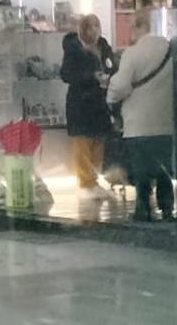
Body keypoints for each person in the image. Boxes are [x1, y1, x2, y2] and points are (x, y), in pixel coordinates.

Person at [107, 13, 175, 222]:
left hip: (139, 123)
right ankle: (166, 208)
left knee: (142, 169)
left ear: (138, 28)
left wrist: (110, 99)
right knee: (163, 168)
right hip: (165, 121)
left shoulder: (133, 54)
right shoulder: (170, 51)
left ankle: (143, 208)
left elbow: (119, 87)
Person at [60, 14, 117, 201]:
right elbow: (67, 74)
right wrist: (92, 76)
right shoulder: (73, 48)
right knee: (83, 143)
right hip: (81, 103)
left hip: (100, 103)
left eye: (96, 26)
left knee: (98, 143)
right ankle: (86, 183)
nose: (94, 30)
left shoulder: (104, 46)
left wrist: (110, 77)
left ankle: (94, 181)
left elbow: (112, 67)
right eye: (89, 27)